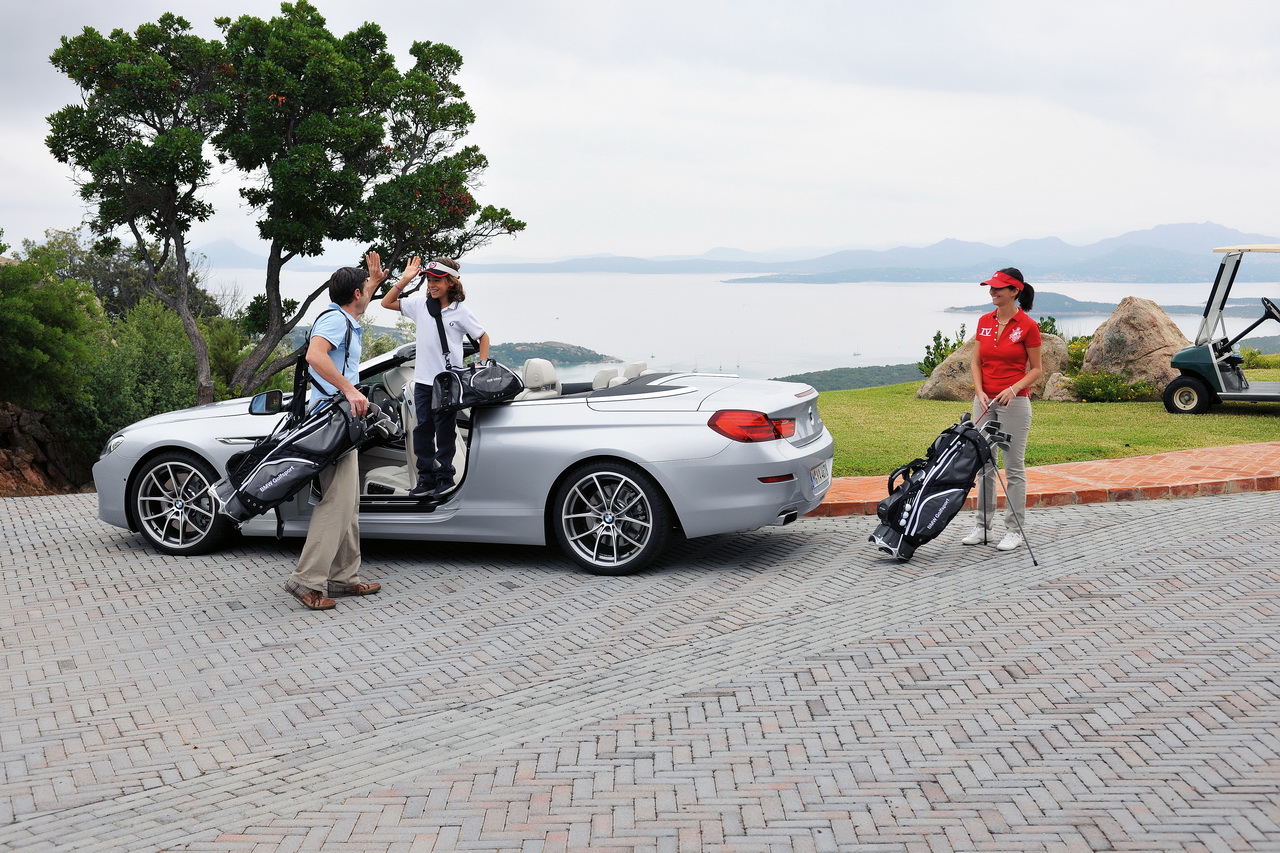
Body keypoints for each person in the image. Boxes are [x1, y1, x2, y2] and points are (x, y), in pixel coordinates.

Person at [284, 252, 421, 611]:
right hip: (332, 422)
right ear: (356, 294)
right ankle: (306, 581)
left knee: (348, 502)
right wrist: (350, 389)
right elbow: (315, 356)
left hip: (341, 422)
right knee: (337, 503)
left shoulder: (345, 316)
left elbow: (358, 306)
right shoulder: (334, 320)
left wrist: (381, 281)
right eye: (365, 289)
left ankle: (344, 578)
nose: (367, 294)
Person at [381, 256, 490, 499]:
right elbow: (386, 303)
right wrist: (405, 280)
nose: (431, 285)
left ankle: (445, 477)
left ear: (451, 282)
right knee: (422, 432)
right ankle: (426, 479)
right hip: (423, 382)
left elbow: (483, 337)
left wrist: (482, 365)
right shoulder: (420, 305)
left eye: (437, 280)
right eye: (429, 280)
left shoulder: (460, 311)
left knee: (445, 432)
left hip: (447, 383)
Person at [961, 267, 1043, 552]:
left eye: (998, 288)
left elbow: (1037, 369)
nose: (992, 291)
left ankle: (1014, 530)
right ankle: (983, 527)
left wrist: (1013, 389)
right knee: (983, 465)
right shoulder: (984, 321)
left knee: (1013, 467)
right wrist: (979, 391)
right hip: (985, 402)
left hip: (1014, 403)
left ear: (1014, 291)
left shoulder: (1028, 326)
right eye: (991, 287)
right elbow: (976, 362)